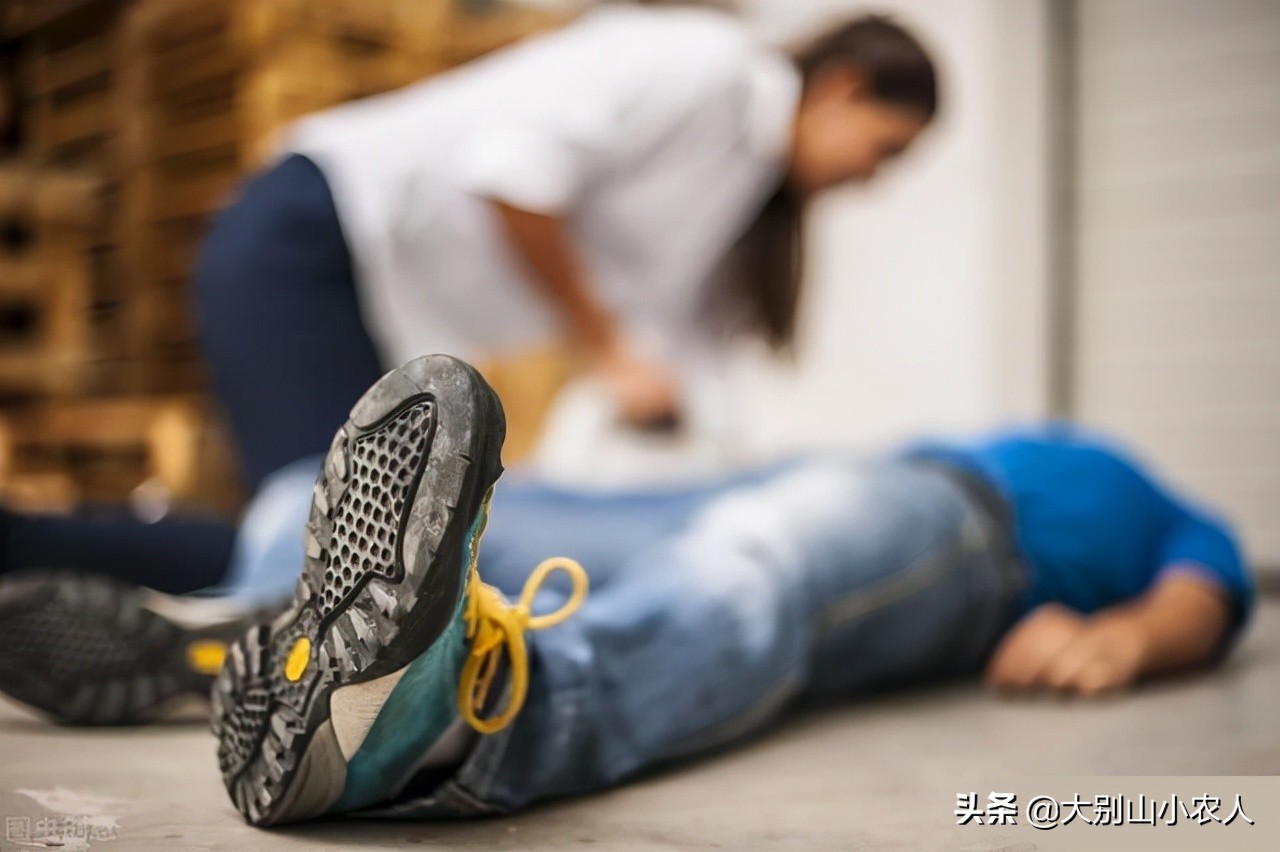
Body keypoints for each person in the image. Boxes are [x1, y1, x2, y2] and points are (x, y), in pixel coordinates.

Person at [0, 356, 1254, 824]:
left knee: (755, 567)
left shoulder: (1155, 503)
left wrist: (1126, 636)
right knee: (299, 497)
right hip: (817, 474)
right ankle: (269, 632)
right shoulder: (1001, 432)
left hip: (958, 533)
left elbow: (1211, 586)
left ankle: (457, 716)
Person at [0, 5, 939, 601]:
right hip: (312, 233)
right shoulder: (705, 68)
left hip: (371, 297)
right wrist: (607, 346)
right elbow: (515, 174)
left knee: (343, 558)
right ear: (844, 87)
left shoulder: (739, 196)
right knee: (327, 558)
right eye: (886, 148)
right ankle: (29, 548)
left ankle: (76, 565)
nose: (875, 179)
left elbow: (685, 368)